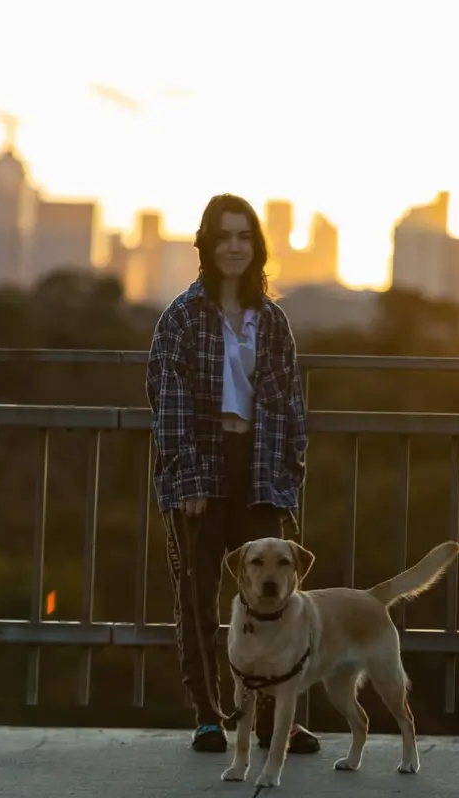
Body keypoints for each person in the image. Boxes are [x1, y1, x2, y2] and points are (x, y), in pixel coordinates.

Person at [145, 193, 321, 755]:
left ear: (258, 246)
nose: (234, 247)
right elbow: (167, 399)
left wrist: (287, 477)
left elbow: (290, 404)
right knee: (197, 597)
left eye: (244, 237)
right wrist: (190, 478)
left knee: (275, 598)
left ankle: (275, 720)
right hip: (200, 464)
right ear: (206, 245)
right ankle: (207, 715)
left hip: (260, 466)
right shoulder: (181, 316)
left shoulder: (271, 321)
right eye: (223, 237)